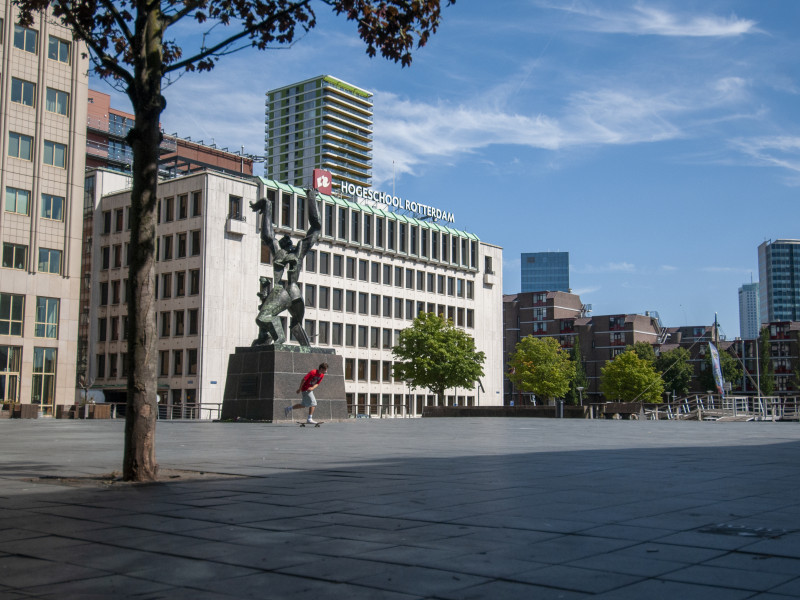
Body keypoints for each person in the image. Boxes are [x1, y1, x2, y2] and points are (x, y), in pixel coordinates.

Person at [250, 187, 321, 346]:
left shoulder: (282, 253)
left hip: (282, 292)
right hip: (295, 293)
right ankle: (306, 351)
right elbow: (316, 227)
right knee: (296, 325)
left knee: (264, 317)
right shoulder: (299, 252)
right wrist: (311, 198)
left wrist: (267, 207)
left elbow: (268, 235)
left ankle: (279, 338)